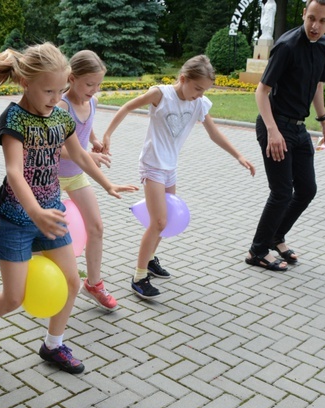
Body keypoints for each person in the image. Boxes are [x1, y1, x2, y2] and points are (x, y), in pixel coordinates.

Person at [0, 43, 137, 374]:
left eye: (61, 90)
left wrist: (107, 184)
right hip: (15, 218)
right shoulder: (14, 118)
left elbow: (82, 155)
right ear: (25, 83)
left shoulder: (60, 115)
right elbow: (14, 171)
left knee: (72, 282)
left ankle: (52, 345)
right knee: (14, 297)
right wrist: (35, 212)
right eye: (48, 90)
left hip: (51, 213)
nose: (55, 97)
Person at [103, 55, 256, 299]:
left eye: (204, 90)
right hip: (152, 164)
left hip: (170, 167)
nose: (199, 94)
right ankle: (139, 277)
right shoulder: (161, 95)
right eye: (197, 88)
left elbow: (214, 134)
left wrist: (238, 155)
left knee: (167, 218)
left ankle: (150, 260)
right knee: (159, 222)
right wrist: (108, 134)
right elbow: (127, 107)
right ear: (183, 79)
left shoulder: (199, 104)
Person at [246, 0, 325, 271]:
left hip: (298, 128)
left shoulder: (324, 46)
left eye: (322, 21)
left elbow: (317, 85)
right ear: (303, 14)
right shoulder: (287, 46)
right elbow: (261, 91)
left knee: (307, 189)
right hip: (275, 126)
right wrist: (273, 131)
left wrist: (323, 121)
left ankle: (276, 236)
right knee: (282, 191)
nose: (315, 26)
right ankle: (257, 251)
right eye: (311, 18)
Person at [57, 50, 118, 311]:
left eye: (98, 85)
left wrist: (93, 139)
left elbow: (85, 124)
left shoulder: (90, 102)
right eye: (89, 84)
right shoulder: (60, 106)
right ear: (72, 78)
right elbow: (56, 147)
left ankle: (93, 284)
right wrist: (89, 156)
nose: (94, 90)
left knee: (97, 227)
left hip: (76, 175)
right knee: (47, 234)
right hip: (51, 177)